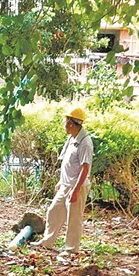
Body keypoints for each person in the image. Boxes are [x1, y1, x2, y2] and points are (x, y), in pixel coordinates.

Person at [31, 107, 93, 257]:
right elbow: (66, 162)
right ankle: (48, 241)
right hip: (65, 184)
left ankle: (71, 249)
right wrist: (61, 181)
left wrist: (76, 190)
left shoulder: (85, 142)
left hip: (77, 186)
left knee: (74, 218)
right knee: (54, 211)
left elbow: (85, 169)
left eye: (66, 121)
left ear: (72, 123)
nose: (64, 124)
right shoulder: (71, 138)